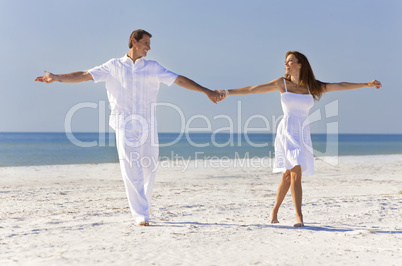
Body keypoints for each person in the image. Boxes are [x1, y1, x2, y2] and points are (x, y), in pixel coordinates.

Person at [35, 29, 220, 226]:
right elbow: (84, 74)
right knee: (131, 168)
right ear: (134, 41)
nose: (150, 47)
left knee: (149, 167)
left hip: (148, 124)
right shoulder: (113, 66)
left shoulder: (153, 67)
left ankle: (143, 207)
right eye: (146, 43)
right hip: (124, 123)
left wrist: (206, 91)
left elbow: (179, 79)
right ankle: (141, 215)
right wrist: (56, 77)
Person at [217, 51, 382, 227]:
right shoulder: (282, 84)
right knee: (296, 172)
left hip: (302, 132)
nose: (286, 64)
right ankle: (299, 217)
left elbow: (340, 85)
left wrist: (366, 84)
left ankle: (274, 210)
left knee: (287, 176)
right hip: (287, 131)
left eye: (290, 61)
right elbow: (252, 89)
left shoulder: (313, 87)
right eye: (285, 62)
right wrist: (227, 92)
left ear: (300, 64)